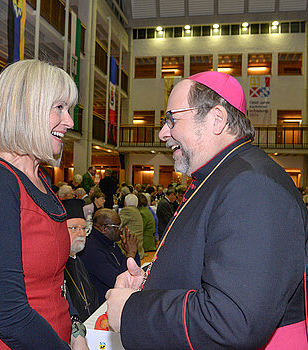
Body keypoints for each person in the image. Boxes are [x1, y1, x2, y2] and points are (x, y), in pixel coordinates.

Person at [105, 71, 308, 349]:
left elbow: (232, 320)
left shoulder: (253, 184)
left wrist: (133, 310)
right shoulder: (221, 175)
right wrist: (151, 282)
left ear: (216, 119)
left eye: (172, 119)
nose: (164, 133)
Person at [0, 60, 88, 349]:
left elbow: (56, 281)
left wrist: (76, 329)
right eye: (59, 108)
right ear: (26, 108)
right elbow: (10, 316)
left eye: (69, 110)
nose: (69, 121)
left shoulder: (39, 177)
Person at [79, 208, 140, 305]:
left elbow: (133, 272)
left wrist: (133, 253)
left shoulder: (109, 243)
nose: (120, 231)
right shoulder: (91, 249)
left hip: (119, 296)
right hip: (104, 304)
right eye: (117, 227)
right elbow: (117, 281)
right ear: (104, 228)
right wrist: (130, 254)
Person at [62, 199, 100, 322]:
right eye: (74, 228)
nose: (80, 233)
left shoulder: (78, 260)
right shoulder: (58, 266)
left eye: (84, 228)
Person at [119, 193, 145, 259]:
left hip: (129, 250)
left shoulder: (127, 210)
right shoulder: (136, 211)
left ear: (125, 203)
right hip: (138, 248)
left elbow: (118, 225)